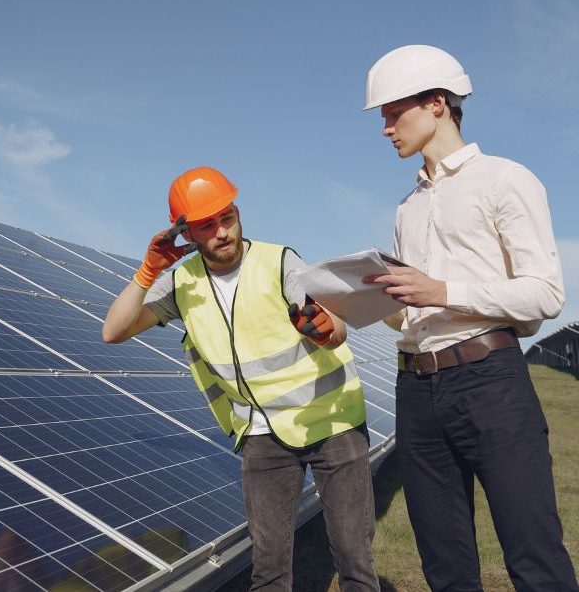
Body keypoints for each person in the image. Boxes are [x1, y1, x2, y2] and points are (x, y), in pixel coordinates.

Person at [361, 45, 578, 591]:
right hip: (414, 390)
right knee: (445, 563)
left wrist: (441, 290)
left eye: (393, 112)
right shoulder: (406, 209)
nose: (386, 128)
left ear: (437, 103)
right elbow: (414, 313)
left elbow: (545, 294)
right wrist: (372, 304)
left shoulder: (505, 181)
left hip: (490, 382)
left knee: (533, 553)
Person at [102, 167, 379, 591]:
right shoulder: (182, 283)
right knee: (267, 571)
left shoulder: (279, 261)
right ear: (188, 234)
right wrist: (147, 271)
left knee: (354, 561)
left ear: (237, 212)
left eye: (226, 217)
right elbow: (113, 331)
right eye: (206, 225)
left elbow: (332, 324)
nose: (221, 232)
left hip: (331, 424)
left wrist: (326, 329)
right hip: (262, 436)